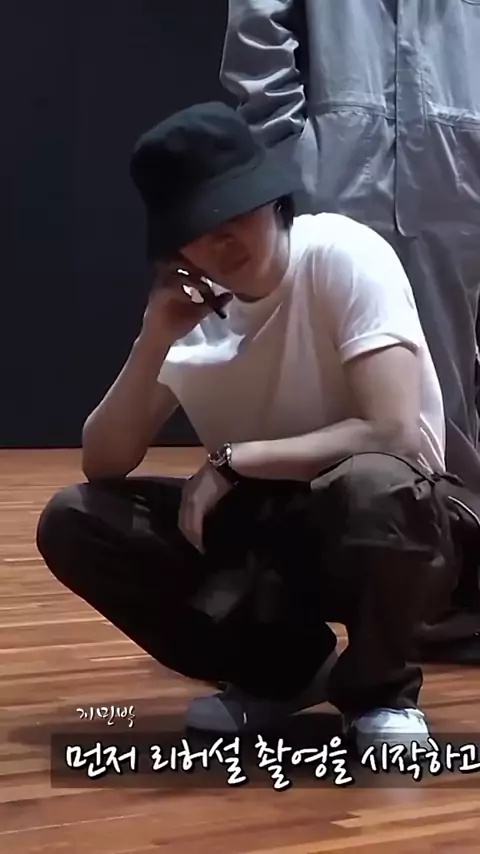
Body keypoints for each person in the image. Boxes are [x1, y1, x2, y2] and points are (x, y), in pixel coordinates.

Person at [37, 101, 459, 753]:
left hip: (403, 536)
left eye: (237, 210)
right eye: (200, 227)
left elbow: (394, 432)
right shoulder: (192, 312)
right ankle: (282, 674)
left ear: (273, 200)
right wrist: (153, 338)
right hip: (270, 540)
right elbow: (104, 461)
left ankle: (381, 692)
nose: (224, 239)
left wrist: (234, 460)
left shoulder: (341, 254)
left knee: (374, 483)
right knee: (75, 519)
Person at [220, 0, 480, 663]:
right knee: (318, 378)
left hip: (458, 152)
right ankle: (294, 600)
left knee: (449, 385)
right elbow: (258, 23)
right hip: (339, 156)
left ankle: (436, 586)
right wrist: (285, 150)